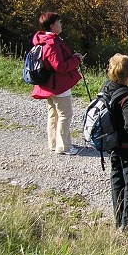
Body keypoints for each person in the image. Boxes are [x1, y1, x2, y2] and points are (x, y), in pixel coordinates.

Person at [31, 12, 84, 155]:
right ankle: (64, 147)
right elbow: (60, 66)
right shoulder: (52, 43)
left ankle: (54, 143)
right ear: (52, 25)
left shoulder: (43, 40)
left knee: (54, 114)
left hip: (48, 84)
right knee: (65, 115)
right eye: (59, 22)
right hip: (59, 85)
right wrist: (76, 60)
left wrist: (72, 59)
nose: (61, 25)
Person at [102, 53, 128, 232]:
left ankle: (119, 219)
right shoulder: (127, 96)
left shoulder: (106, 88)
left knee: (117, 179)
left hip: (112, 144)